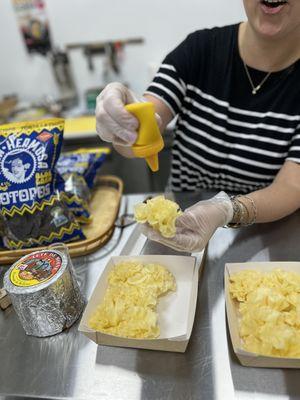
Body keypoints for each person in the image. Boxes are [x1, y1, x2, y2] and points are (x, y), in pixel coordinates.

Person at [95, 0, 300, 252]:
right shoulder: (200, 49)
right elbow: (143, 128)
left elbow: (291, 186)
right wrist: (122, 121)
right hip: (177, 225)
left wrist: (227, 210)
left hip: (261, 234)